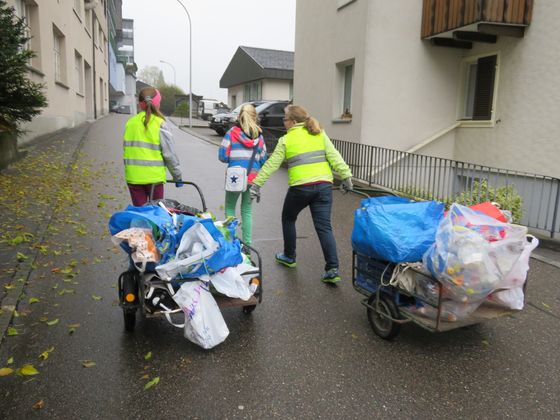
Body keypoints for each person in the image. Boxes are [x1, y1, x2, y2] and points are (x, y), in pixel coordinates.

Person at [250, 105, 353, 284]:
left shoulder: (286, 140)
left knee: (288, 218)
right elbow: (334, 155)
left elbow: (272, 164)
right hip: (324, 186)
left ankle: (289, 256)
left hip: (300, 188)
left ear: (292, 121)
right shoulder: (319, 133)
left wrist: (256, 185)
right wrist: (346, 177)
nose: (283, 122)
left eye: (284, 119)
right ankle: (332, 269)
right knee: (324, 227)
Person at [123, 87, 183, 207]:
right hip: (154, 179)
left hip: (134, 177)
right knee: (155, 212)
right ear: (157, 104)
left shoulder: (130, 123)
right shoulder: (160, 124)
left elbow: (127, 149)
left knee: (141, 213)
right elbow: (169, 154)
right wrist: (177, 176)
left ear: (140, 104)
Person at [219, 104, 267, 247]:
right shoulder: (260, 136)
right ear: (255, 117)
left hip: (235, 177)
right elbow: (263, 159)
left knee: (229, 207)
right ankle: (247, 244)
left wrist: (234, 158)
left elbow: (222, 156)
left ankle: (230, 242)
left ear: (239, 116)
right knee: (247, 210)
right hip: (252, 177)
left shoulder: (231, 132)